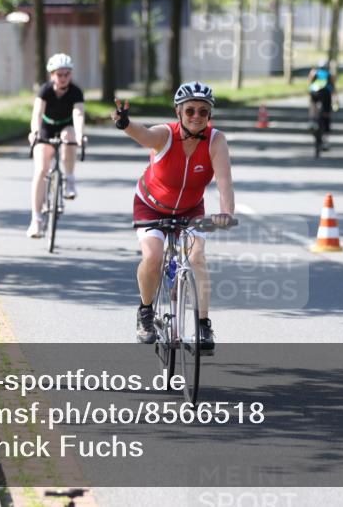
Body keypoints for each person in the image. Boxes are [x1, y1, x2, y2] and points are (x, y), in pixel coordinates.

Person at [110, 81, 235, 352]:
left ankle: (203, 325)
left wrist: (226, 213)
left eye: (203, 111)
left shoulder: (216, 140)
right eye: (190, 111)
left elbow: (224, 181)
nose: (196, 117)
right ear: (178, 112)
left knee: (197, 257)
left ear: (210, 114)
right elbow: (144, 134)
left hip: (190, 209)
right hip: (151, 205)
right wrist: (125, 123)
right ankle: (145, 312)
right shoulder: (165, 135)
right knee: (153, 257)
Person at [26, 53, 85, 238]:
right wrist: (35, 132)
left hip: (66, 126)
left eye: (67, 74)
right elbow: (37, 113)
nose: (63, 78)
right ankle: (36, 220)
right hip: (47, 127)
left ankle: (69, 179)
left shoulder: (75, 91)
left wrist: (80, 135)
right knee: (41, 169)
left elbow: (78, 114)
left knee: (69, 137)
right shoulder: (45, 90)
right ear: (52, 75)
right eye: (59, 74)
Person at [308, 60, 336, 148]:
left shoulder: (314, 72)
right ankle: (326, 141)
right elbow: (333, 88)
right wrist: (336, 100)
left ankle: (312, 121)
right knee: (326, 115)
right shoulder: (329, 74)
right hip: (326, 93)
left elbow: (310, 84)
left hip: (315, 92)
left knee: (313, 104)